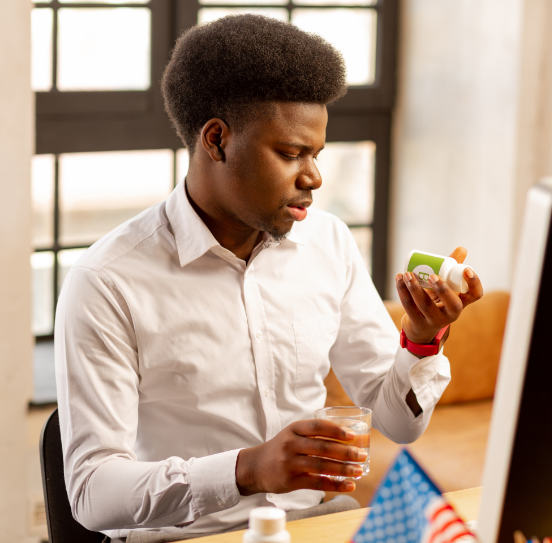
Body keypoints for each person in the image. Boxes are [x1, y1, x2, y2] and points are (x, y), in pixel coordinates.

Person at [54, 13, 482, 543]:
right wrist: (246, 470)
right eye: (290, 153)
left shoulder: (327, 243)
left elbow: (398, 422)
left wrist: (420, 342)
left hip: (316, 526)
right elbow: (93, 494)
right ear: (216, 140)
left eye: (317, 153)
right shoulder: (107, 281)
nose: (315, 177)